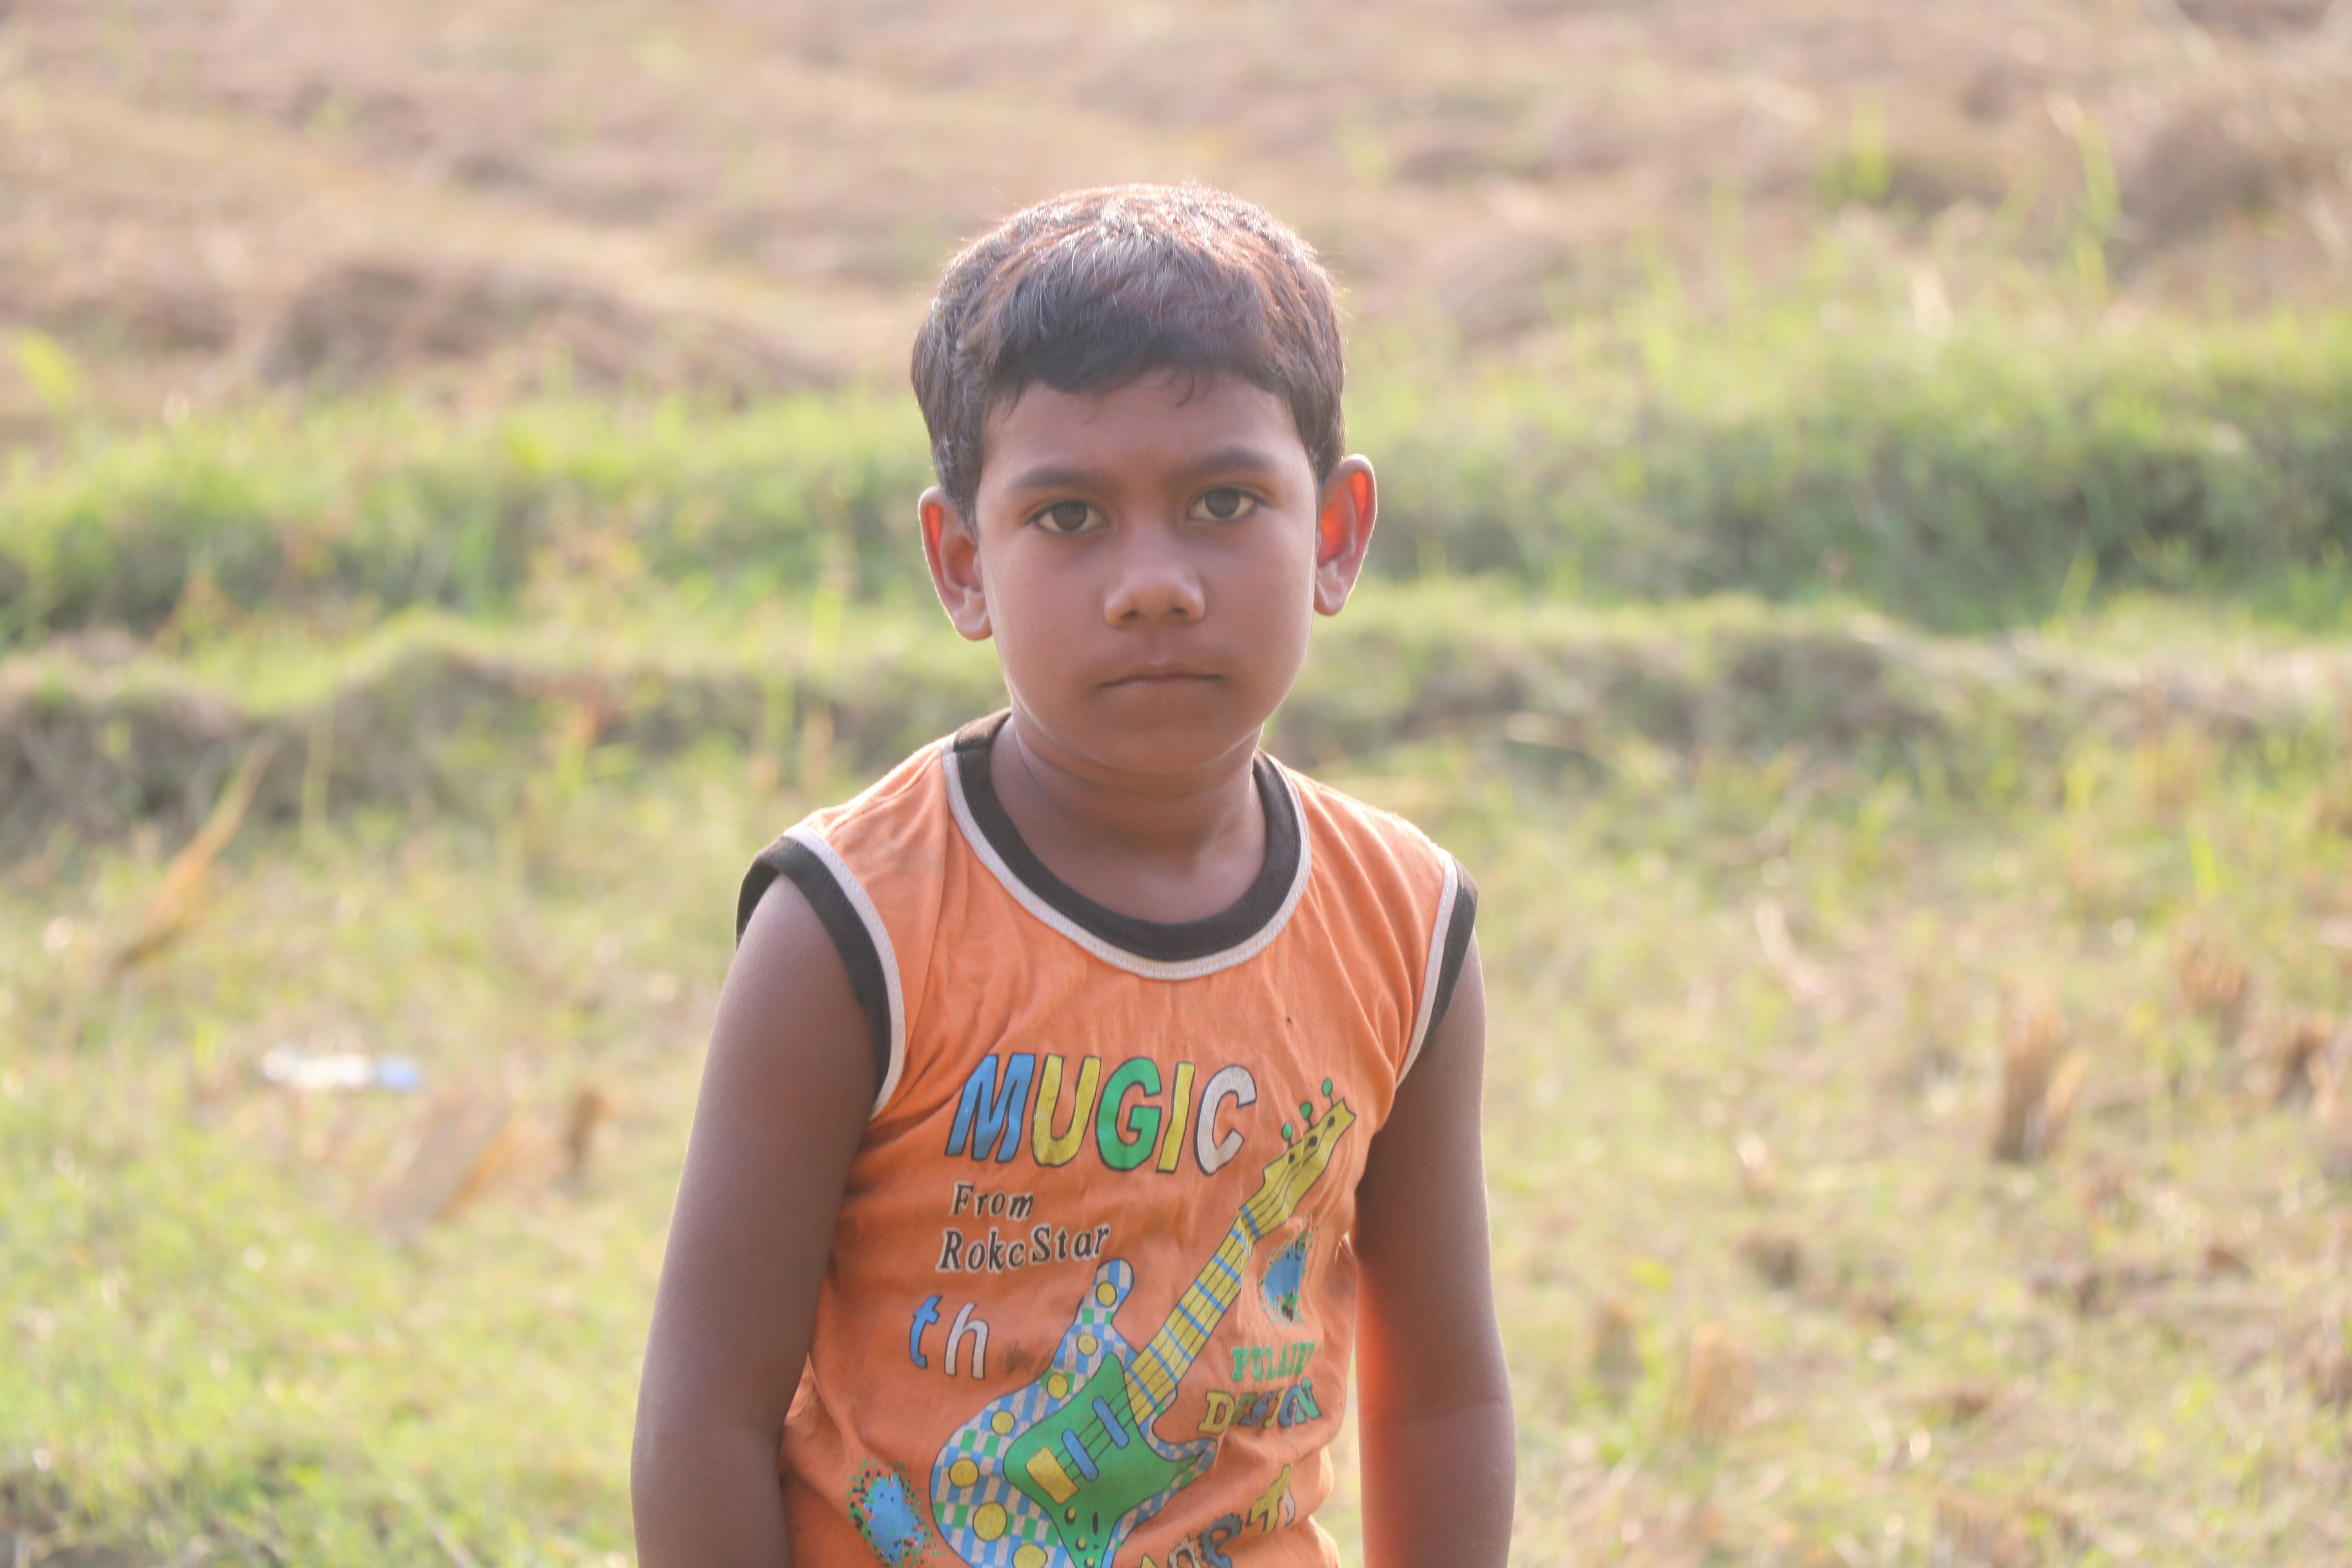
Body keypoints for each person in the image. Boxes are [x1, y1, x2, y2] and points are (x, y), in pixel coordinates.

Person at [632, 183, 1514, 1568]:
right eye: (1068, 517)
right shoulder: (851, 931)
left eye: (1225, 502)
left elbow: (1443, 1400)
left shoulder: (1404, 926)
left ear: (1336, 534)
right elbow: (706, 1420)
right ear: (963, 564)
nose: (1153, 583)